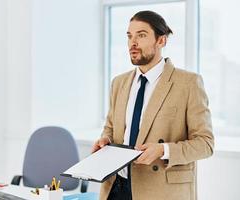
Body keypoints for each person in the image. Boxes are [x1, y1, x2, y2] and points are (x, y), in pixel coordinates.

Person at [91, 10, 214, 200]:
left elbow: (205, 144)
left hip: (160, 191)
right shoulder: (119, 83)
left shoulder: (188, 83)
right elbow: (110, 127)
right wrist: (105, 141)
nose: (133, 42)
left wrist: (163, 150)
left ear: (161, 41)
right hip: (116, 187)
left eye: (141, 35)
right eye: (130, 36)